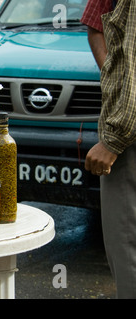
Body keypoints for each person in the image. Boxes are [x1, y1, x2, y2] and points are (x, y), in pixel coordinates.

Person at [82, 0, 136, 298]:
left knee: (127, 243)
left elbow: (132, 61)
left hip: (129, 134)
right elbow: (95, 25)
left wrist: (114, 138)